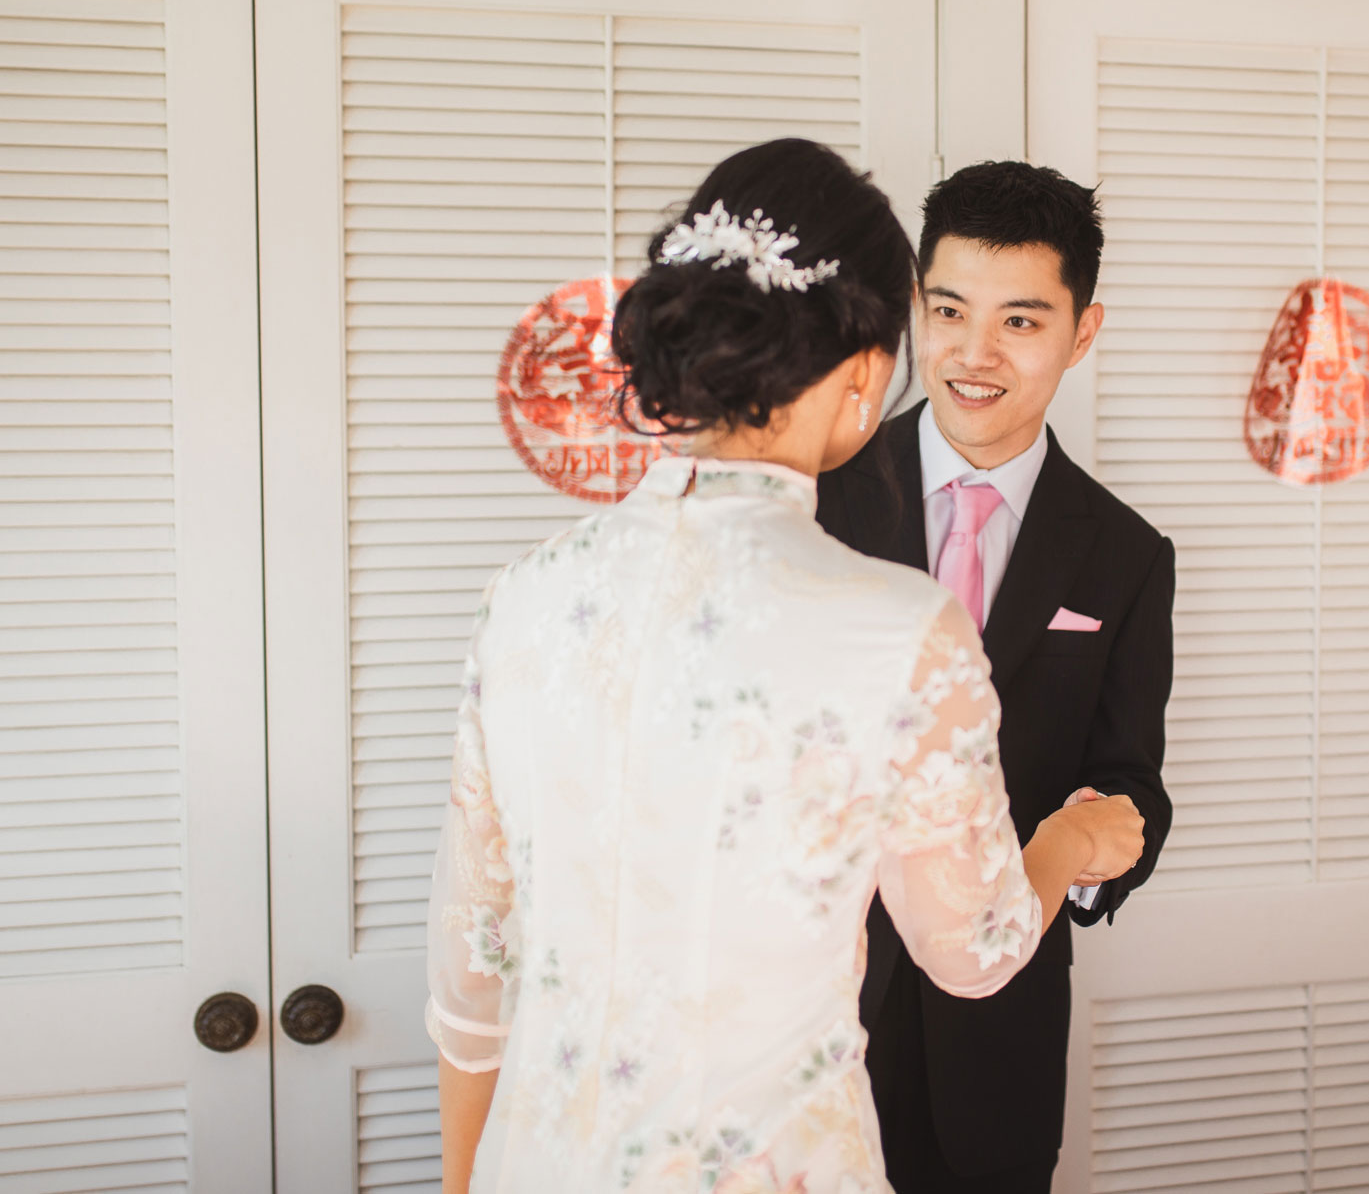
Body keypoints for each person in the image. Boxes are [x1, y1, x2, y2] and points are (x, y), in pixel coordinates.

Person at [425, 138, 1147, 1193]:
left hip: (532, 1163)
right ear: (862, 374)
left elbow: (470, 974)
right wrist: (1066, 839)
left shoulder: (524, 596)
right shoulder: (900, 627)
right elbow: (978, 947)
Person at [816, 161, 1176, 1193]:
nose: (973, 355)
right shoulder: (811, 499)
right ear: (912, 311)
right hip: (805, 1017)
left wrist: (1091, 843)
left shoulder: (1124, 552)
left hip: (1001, 1027)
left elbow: (1128, 776)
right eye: (947, 311)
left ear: (1082, 330)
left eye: (1019, 321)